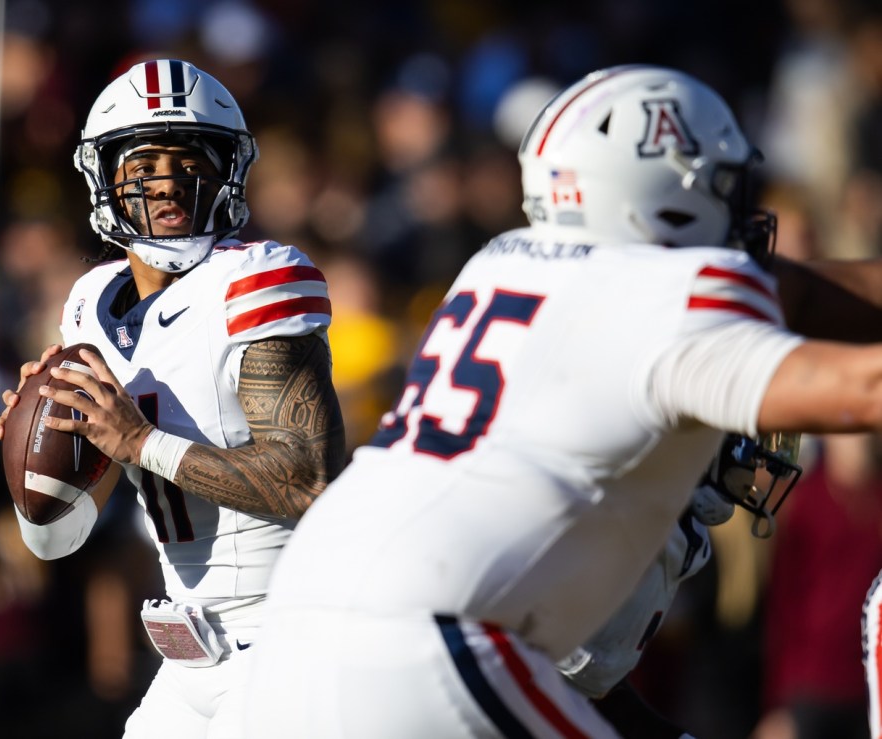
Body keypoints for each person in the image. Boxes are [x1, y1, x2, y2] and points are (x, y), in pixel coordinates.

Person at [241, 64, 882, 738]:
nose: (741, 217)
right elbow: (862, 388)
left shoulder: (503, 262)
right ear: (666, 187)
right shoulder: (661, 295)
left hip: (297, 630)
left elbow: (803, 292)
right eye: (725, 186)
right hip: (436, 639)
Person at [0, 59, 345, 739]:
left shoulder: (258, 279)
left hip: (287, 632)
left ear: (227, 170)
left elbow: (308, 478)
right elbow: (57, 537)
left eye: (190, 160)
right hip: (189, 658)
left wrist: (137, 441)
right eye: (144, 162)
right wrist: (44, 458)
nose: (168, 181)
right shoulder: (90, 303)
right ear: (105, 176)